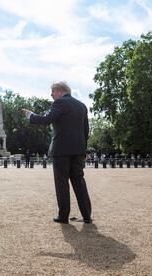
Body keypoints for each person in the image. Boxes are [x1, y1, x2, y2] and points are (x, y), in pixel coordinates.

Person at [22, 81, 92, 224]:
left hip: (61, 150)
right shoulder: (82, 106)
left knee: (62, 183)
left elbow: (46, 119)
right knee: (79, 182)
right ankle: (87, 216)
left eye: (52, 92)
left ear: (60, 91)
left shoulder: (59, 103)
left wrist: (30, 115)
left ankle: (63, 216)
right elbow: (86, 131)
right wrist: (83, 150)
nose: (51, 95)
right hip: (78, 150)